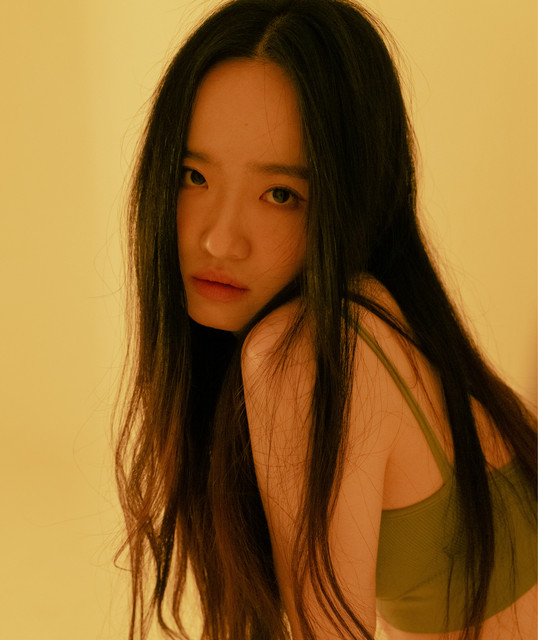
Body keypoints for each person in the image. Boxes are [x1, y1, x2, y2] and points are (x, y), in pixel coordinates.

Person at [114, 1, 537, 638]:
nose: (220, 240)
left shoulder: (309, 350)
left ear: (349, 200)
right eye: (193, 175)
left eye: (280, 194)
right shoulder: (378, 310)